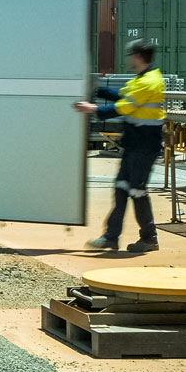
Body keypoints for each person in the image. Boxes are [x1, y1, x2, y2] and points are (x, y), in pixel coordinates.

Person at [73, 39, 165, 253]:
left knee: (136, 190)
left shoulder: (149, 81)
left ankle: (149, 238)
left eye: (131, 55)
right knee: (122, 188)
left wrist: (93, 109)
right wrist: (100, 91)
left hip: (144, 146)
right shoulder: (141, 79)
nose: (130, 59)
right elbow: (124, 96)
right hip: (134, 144)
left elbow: (125, 107)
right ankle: (111, 237)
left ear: (138, 57)